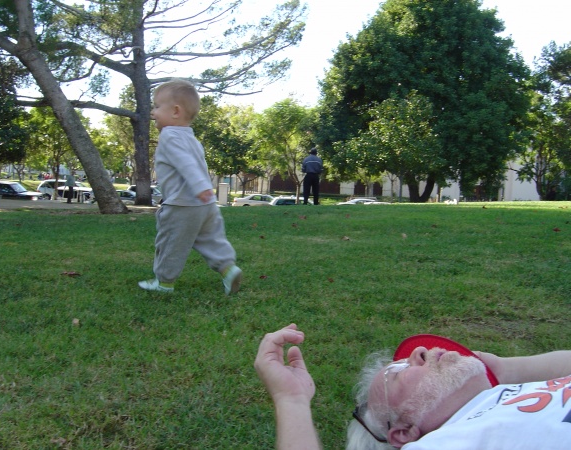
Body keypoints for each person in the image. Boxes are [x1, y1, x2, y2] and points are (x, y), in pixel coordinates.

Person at [254, 324, 571, 450]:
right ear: (404, 433)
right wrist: (291, 400)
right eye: (399, 372)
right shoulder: (447, 441)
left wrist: (499, 369)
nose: (420, 352)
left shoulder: (509, 394)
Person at [138, 79, 242, 295]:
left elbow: (186, 163)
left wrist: (200, 186)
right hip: (206, 205)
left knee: (171, 243)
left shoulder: (169, 135)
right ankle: (228, 269)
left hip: (182, 204)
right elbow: (196, 163)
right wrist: (205, 189)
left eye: (157, 106)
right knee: (211, 239)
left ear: (175, 111)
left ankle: (164, 283)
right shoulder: (191, 137)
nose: (153, 112)